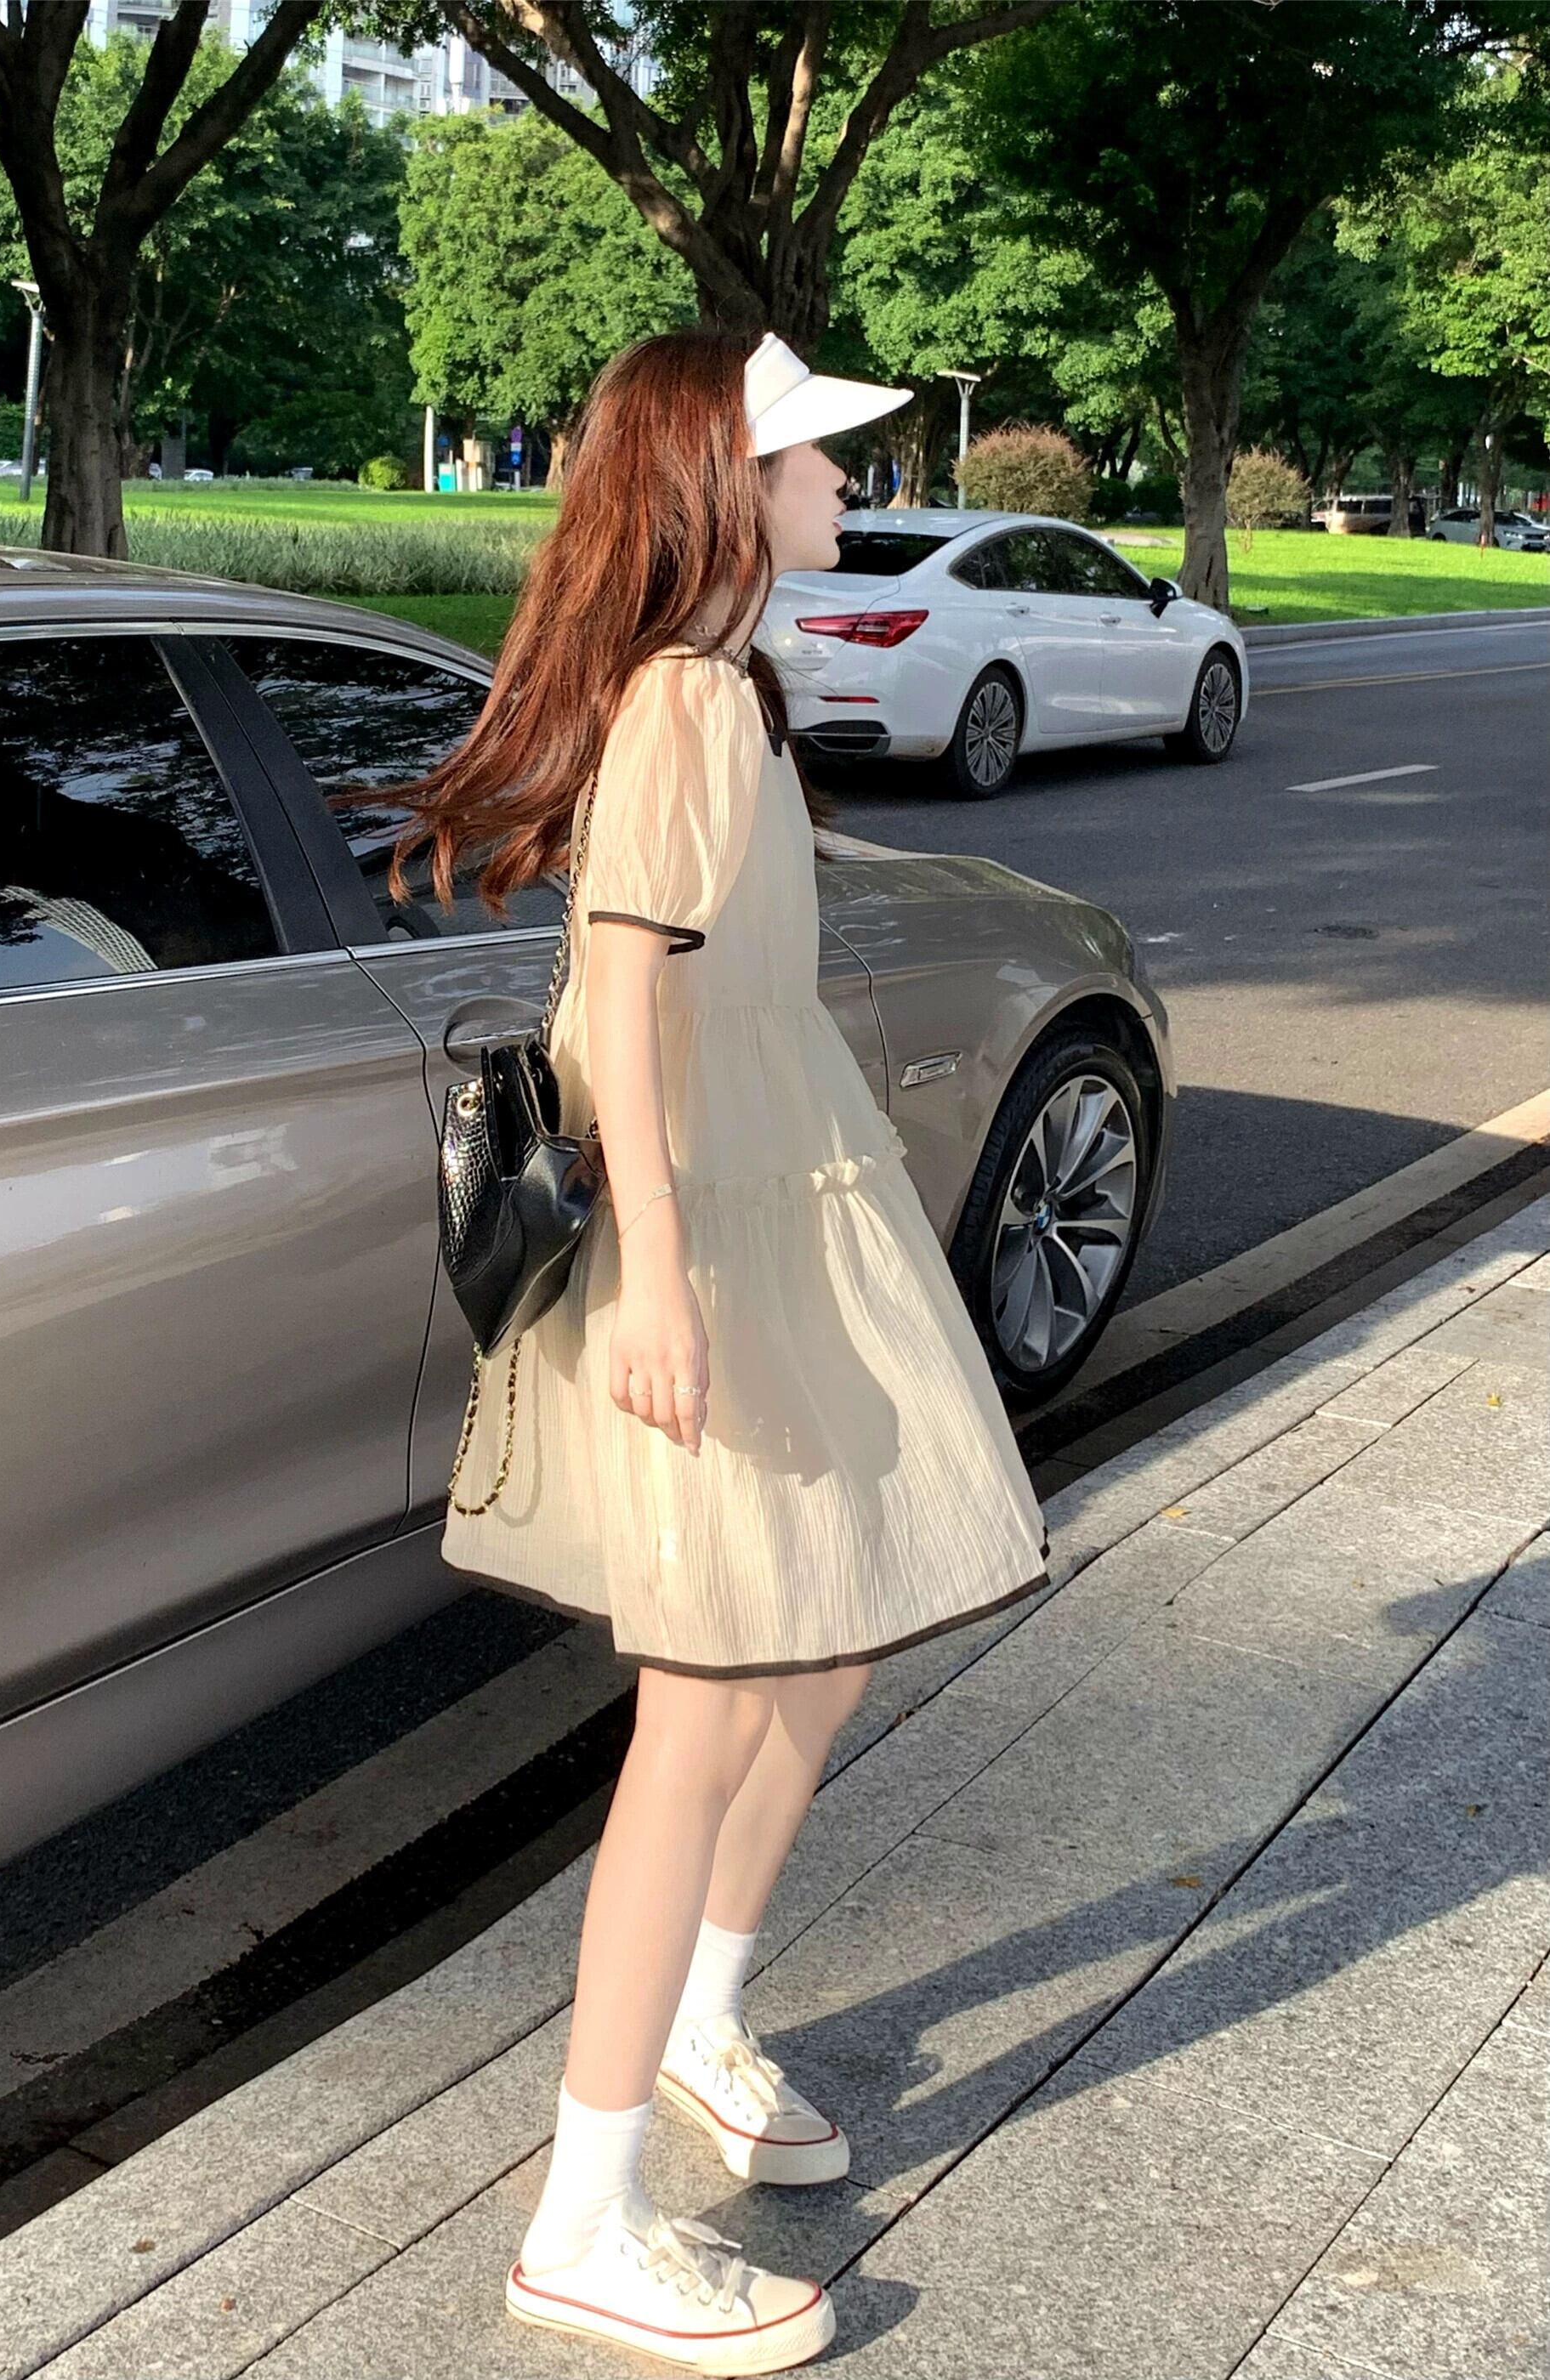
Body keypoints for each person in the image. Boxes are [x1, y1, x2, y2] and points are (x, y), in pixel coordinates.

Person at [387, 327, 1050, 2374]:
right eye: (819, 460)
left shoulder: (733, 690)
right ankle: (582, 2220)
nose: (850, 485)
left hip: (782, 1196)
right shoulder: (681, 701)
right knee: (703, 1698)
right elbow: (621, 993)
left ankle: (700, 2014)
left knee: (821, 1640)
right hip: (711, 1229)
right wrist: (662, 1279)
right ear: (725, 483)